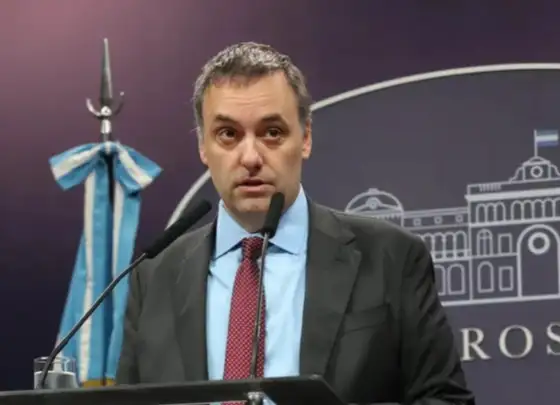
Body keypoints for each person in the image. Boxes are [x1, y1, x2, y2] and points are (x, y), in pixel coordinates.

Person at [116, 41, 475, 405]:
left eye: (272, 132)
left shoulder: (390, 257)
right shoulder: (154, 276)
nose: (250, 157)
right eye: (228, 134)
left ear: (305, 138)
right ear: (202, 147)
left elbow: (445, 399)